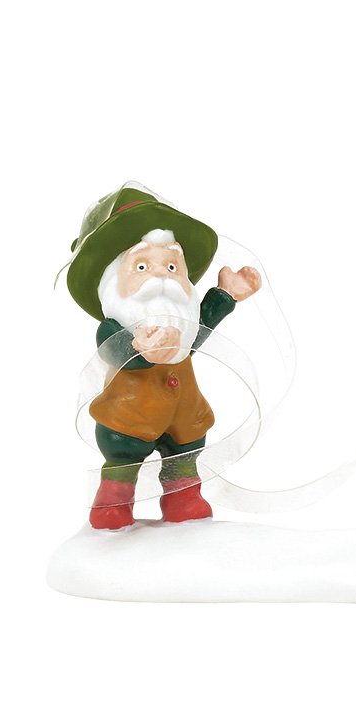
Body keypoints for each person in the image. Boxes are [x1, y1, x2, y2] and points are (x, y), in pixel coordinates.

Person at [66, 183, 261, 529]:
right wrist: (139, 348)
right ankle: (113, 505)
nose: (160, 274)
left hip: (184, 415)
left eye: (172, 266)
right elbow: (111, 349)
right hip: (129, 418)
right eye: (142, 267)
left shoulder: (182, 321)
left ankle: (182, 499)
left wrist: (226, 294)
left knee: (184, 458)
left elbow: (199, 328)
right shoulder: (114, 326)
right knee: (122, 462)